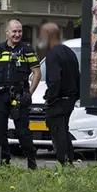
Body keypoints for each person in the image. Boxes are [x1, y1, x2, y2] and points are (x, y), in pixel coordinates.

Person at [0, 20, 41, 169]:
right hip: (0, 95)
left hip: (19, 96)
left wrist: (29, 92)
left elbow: (37, 72)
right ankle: (4, 164)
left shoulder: (27, 49)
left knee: (23, 131)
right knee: (0, 131)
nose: (17, 34)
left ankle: (32, 163)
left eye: (20, 31)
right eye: (14, 31)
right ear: (7, 32)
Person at [38, 22, 80, 166]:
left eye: (42, 34)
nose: (40, 37)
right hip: (70, 99)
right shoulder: (69, 52)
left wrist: (50, 98)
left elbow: (55, 80)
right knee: (64, 130)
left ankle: (64, 162)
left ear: (49, 35)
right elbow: (77, 76)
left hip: (59, 100)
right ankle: (69, 160)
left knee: (57, 131)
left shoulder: (52, 54)